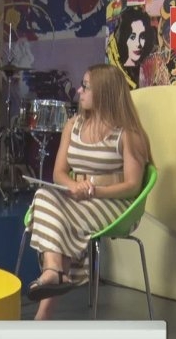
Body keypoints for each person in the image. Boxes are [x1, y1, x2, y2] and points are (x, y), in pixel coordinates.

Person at [24, 64, 152, 320]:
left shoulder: (129, 133)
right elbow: (59, 173)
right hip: (77, 198)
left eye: (86, 87)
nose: (79, 91)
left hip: (114, 204)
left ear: (104, 92)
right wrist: (73, 186)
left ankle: (49, 294)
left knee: (60, 219)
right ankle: (54, 272)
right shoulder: (73, 125)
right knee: (43, 195)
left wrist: (95, 192)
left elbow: (132, 186)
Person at [108, 7, 155, 88]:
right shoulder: (115, 71)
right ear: (124, 38)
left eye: (142, 37)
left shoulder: (149, 71)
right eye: (132, 37)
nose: (138, 44)